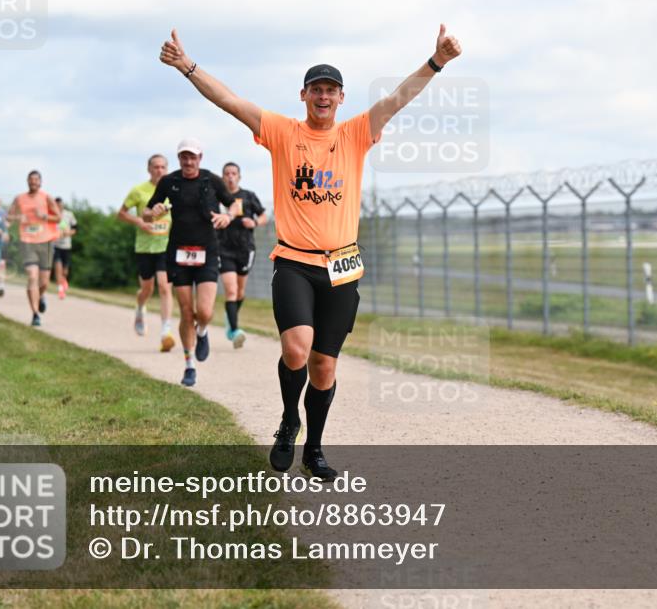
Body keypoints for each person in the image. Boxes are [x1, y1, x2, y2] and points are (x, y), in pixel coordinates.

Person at [159, 24, 462, 479]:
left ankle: (314, 449)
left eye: (331, 90)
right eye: (316, 89)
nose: (324, 96)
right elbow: (230, 101)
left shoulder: (358, 133)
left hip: (341, 266)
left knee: (323, 366)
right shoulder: (282, 131)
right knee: (297, 350)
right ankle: (288, 421)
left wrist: (436, 61)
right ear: (303, 95)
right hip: (295, 261)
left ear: (341, 98)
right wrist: (188, 66)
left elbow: (399, 99)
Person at [142, 140, 234, 386]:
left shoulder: (211, 180)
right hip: (179, 254)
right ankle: (189, 364)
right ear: (179, 159)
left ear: (200, 158)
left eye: (192, 157)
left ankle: (202, 332)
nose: (188, 161)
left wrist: (228, 215)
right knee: (185, 311)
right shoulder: (169, 182)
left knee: (203, 312)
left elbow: (233, 202)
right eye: (184, 157)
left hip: (207, 252)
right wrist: (154, 212)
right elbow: (146, 212)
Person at [118, 154, 176, 351]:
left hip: (166, 245)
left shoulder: (173, 188)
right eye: (156, 167)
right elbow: (122, 213)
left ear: (167, 169)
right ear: (149, 169)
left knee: (165, 287)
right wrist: (140, 222)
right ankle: (140, 308)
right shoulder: (139, 191)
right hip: (145, 247)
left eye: (163, 167)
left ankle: (166, 331)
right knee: (147, 289)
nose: (159, 170)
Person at [217, 161, 267, 348]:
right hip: (223, 248)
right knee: (230, 290)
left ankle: (230, 319)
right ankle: (234, 331)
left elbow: (263, 216)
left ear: (239, 177)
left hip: (245, 249)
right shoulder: (218, 197)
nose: (230, 176)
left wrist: (254, 223)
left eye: (233, 173)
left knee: (239, 291)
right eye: (227, 173)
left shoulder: (248, 196)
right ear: (223, 177)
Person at [8, 170, 60, 326]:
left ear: (41, 182)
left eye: (36, 180)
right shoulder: (19, 199)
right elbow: (9, 216)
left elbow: (58, 217)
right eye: (31, 180)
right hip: (27, 241)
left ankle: (41, 296)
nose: (34, 182)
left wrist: (45, 216)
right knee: (32, 276)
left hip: (45, 241)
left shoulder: (47, 198)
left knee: (44, 282)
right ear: (27, 181)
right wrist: (18, 217)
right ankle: (35, 313)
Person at [52, 198, 78, 299]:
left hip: (66, 246)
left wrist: (68, 233)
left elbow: (75, 228)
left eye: (60, 205)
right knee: (58, 268)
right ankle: (61, 290)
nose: (58, 207)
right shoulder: (52, 215)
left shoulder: (69, 215)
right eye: (56, 205)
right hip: (56, 246)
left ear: (62, 205)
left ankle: (64, 281)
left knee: (65, 271)